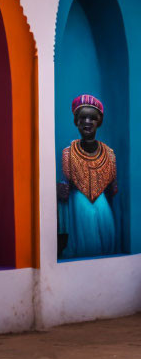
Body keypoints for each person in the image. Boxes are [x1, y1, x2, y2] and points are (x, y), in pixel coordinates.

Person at [57, 94, 117, 259]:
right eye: (83, 118)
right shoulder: (68, 153)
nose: (87, 122)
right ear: (76, 121)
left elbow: (113, 190)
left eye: (92, 118)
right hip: (78, 208)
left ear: (99, 121)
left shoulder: (110, 154)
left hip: (103, 208)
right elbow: (65, 188)